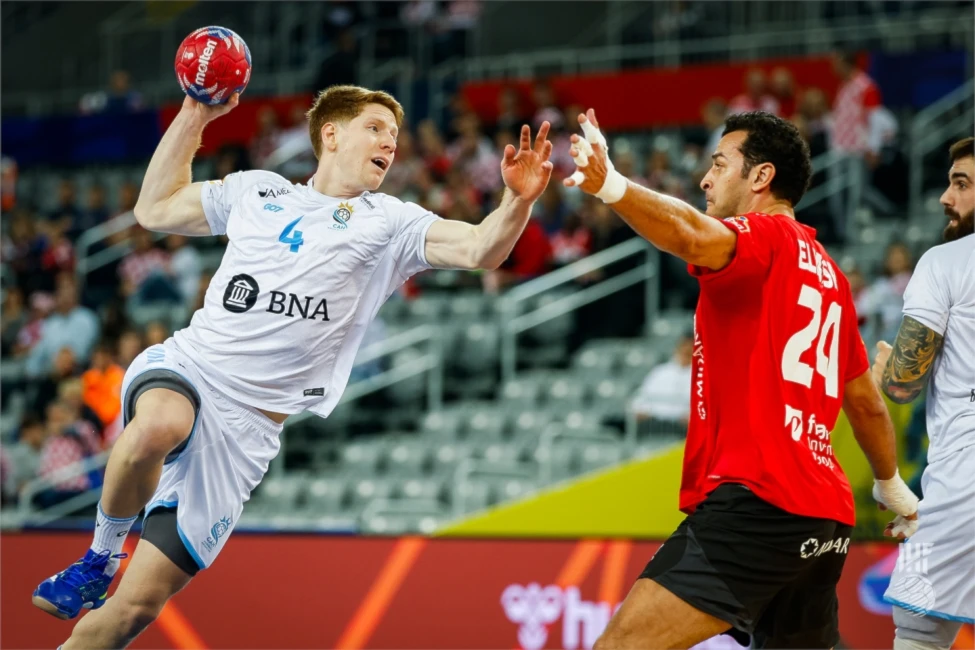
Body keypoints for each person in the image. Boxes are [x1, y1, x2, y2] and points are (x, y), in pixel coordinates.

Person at [33, 84, 554, 648]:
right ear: (330, 135)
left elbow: (480, 249)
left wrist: (517, 202)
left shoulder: (391, 222)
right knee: (155, 429)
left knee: (131, 614)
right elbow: (154, 207)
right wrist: (195, 113)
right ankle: (99, 559)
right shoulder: (258, 191)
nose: (390, 143)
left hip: (246, 433)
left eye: (396, 137)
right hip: (193, 370)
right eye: (376, 128)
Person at [564, 109, 918, 649]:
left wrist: (611, 184)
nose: (705, 179)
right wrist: (893, 488)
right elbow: (865, 403)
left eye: (719, 164)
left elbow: (687, 233)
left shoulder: (764, 237)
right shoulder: (833, 278)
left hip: (759, 502)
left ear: (760, 178)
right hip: (824, 517)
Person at [871, 137, 974, 650]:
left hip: (966, 480)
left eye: (961, 184)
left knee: (919, 637)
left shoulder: (946, 261)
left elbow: (904, 384)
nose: (944, 197)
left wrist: (888, 368)